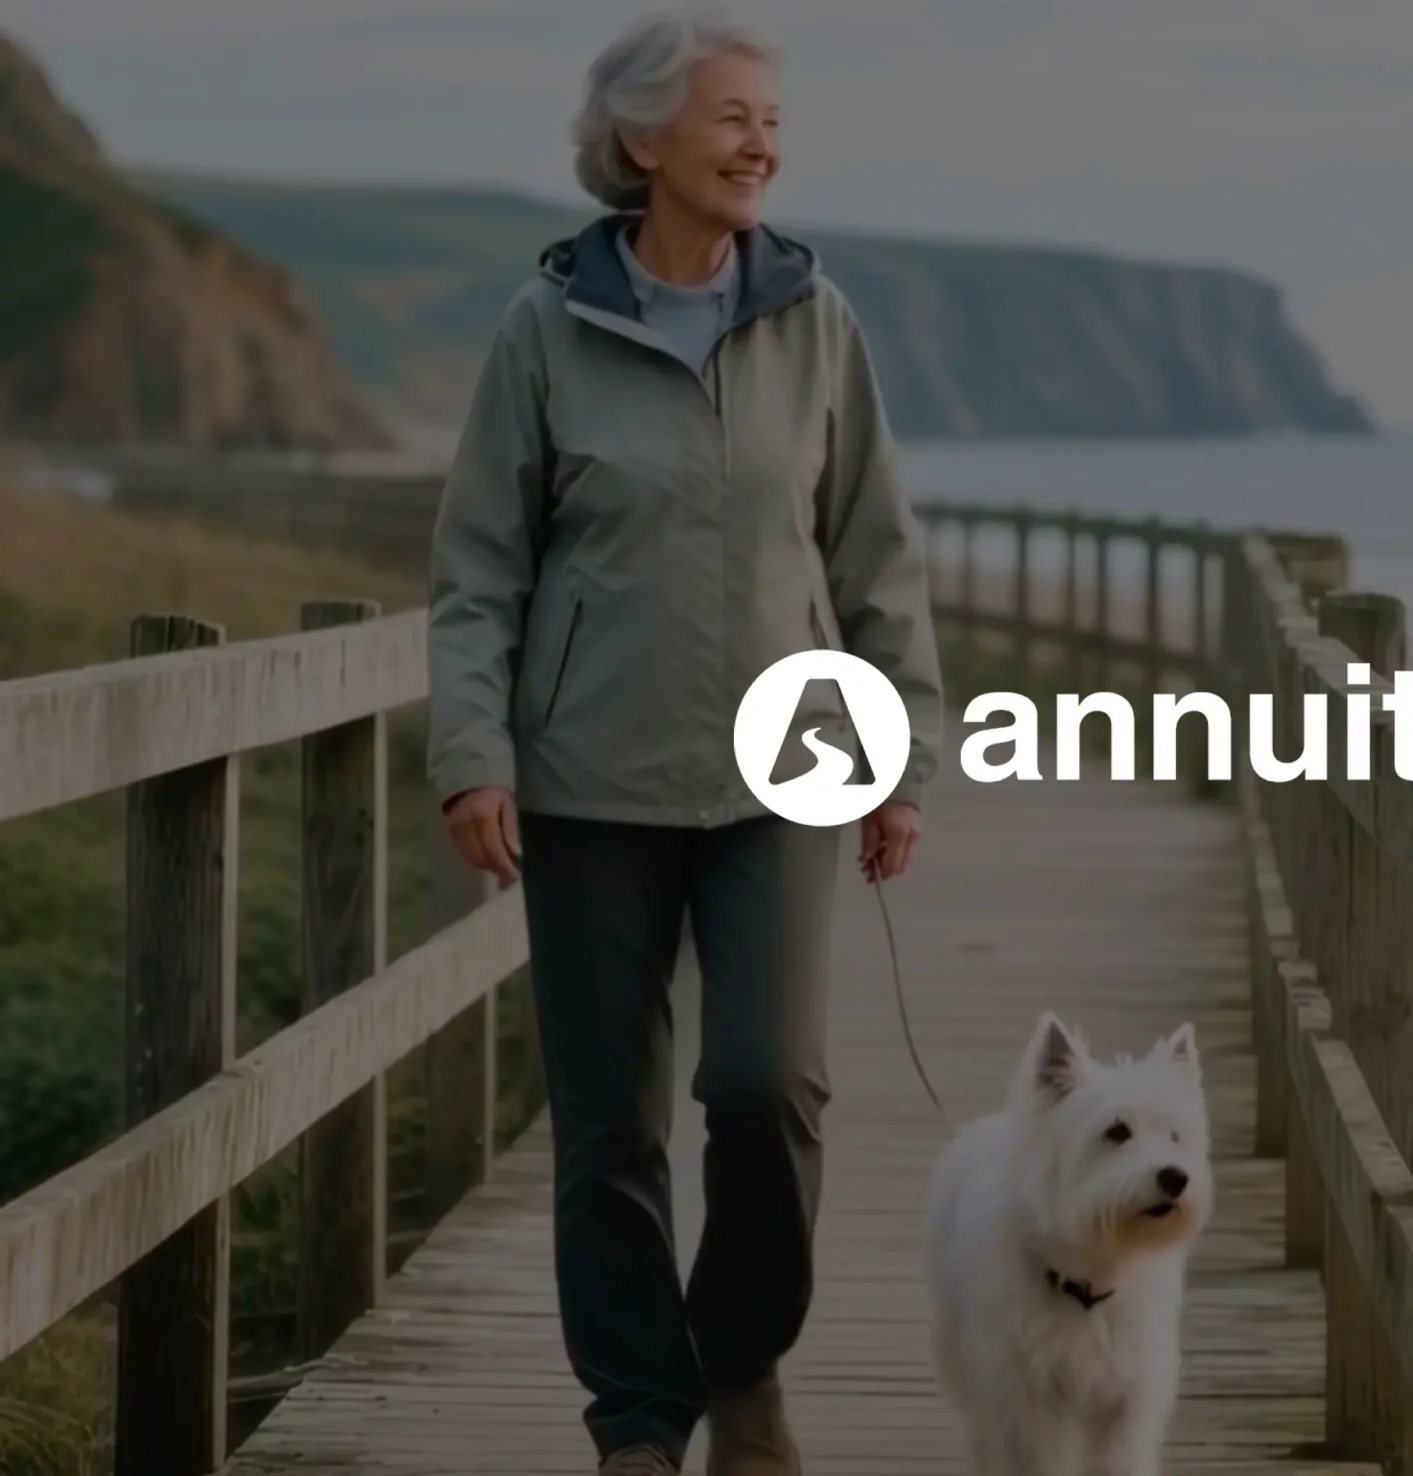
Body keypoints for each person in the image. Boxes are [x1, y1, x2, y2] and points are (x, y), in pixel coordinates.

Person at [423, 9, 942, 1474]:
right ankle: (640, 1421)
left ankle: (744, 1360)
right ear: (643, 142)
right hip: (588, 779)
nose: (761, 142)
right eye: (731, 118)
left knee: (769, 1086)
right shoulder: (545, 333)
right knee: (608, 1125)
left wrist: (901, 757)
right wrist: (473, 751)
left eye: (771, 119)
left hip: (788, 771)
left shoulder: (816, 323)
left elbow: (876, 559)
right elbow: (477, 572)